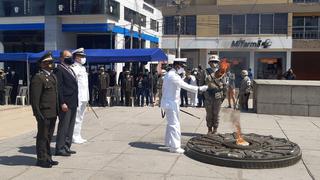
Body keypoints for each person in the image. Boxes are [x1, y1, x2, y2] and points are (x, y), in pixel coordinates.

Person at [161, 58, 208, 154]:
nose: (183, 69)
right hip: (171, 103)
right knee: (175, 125)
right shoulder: (172, 76)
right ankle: (175, 147)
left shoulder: (170, 74)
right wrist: (199, 89)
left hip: (170, 103)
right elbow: (185, 86)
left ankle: (169, 143)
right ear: (177, 65)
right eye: (182, 67)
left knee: (171, 124)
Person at [30, 52, 59, 168]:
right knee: (42, 136)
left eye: (52, 62)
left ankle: (48, 157)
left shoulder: (52, 76)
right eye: (49, 62)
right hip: (44, 112)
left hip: (52, 112)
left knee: (49, 136)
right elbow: (35, 99)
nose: (51, 64)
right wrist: (37, 114)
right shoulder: (38, 78)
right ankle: (41, 159)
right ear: (43, 64)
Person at [54, 50, 78, 156]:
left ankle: (67, 146)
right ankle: (60, 148)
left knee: (70, 126)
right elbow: (59, 88)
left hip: (73, 102)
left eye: (70, 56)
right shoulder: (59, 69)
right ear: (62, 58)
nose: (70, 58)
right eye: (68, 56)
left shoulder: (70, 69)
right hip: (66, 103)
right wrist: (62, 102)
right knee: (64, 126)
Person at [202, 55, 227, 134]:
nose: (214, 63)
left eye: (215, 62)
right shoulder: (205, 72)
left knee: (216, 114)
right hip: (208, 95)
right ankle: (209, 129)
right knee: (209, 114)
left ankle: (215, 129)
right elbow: (201, 84)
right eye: (212, 62)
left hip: (218, 96)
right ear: (209, 63)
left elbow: (225, 85)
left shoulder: (222, 72)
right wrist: (202, 95)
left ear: (218, 63)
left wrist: (223, 96)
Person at [70, 48, 89, 144]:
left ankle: (78, 135)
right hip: (78, 97)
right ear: (76, 57)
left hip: (84, 97)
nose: (83, 58)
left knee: (80, 118)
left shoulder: (83, 68)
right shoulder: (74, 68)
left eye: (83, 56)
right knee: (76, 117)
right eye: (81, 56)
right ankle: (74, 136)